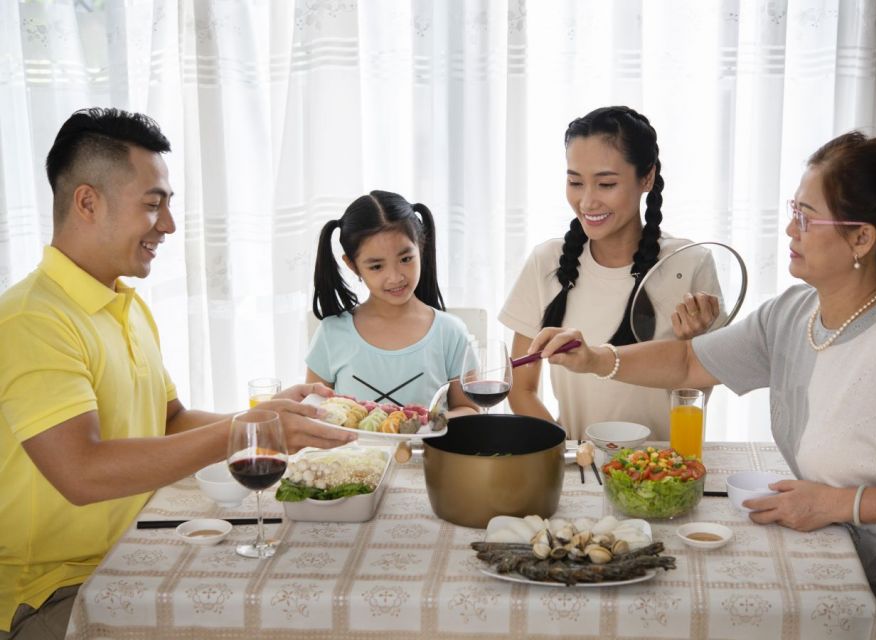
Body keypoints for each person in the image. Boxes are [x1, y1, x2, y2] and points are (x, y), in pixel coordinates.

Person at [530, 131, 876, 640]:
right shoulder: (796, 314)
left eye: (806, 217)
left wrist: (834, 503)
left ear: (861, 239)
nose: (788, 229)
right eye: (792, 209)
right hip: (836, 559)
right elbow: (690, 362)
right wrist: (597, 358)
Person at [0, 108, 353, 639]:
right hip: (54, 594)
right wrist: (256, 432)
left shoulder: (127, 306)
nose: (167, 224)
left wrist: (267, 418)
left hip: (128, 556)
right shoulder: (32, 319)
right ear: (88, 202)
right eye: (153, 204)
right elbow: (81, 473)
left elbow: (171, 419)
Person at [499, 106, 719, 440]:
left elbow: (698, 392)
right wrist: (567, 452)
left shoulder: (690, 263)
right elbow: (522, 388)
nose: (587, 201)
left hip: (662, 470)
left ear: (646, 177)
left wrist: (696, 342)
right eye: (575, 182)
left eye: (605, 184)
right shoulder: (547, 262)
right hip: (582, 470)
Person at [306, 190, 477, 417]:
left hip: (428, 453)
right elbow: (312, 410)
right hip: (352, 453)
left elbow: (469, 410)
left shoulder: (450, 332)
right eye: (377, 266)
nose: (395, 277)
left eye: (406, 259)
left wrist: (426, 422)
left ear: (421, 248)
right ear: (352, 265)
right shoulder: (331, 333)